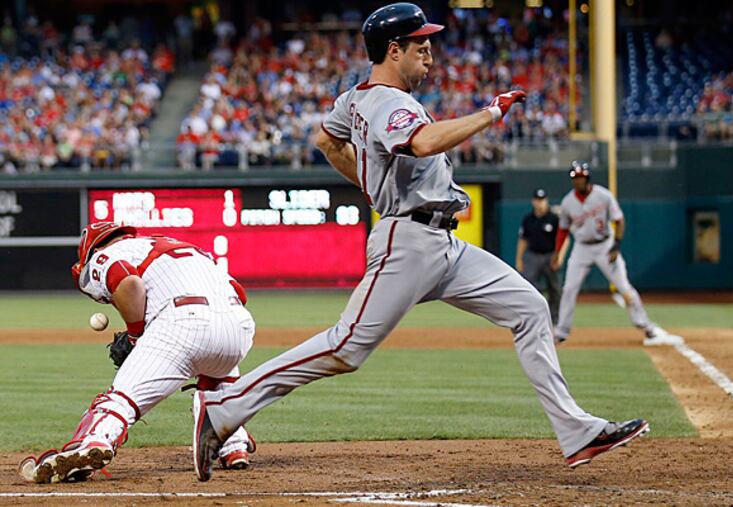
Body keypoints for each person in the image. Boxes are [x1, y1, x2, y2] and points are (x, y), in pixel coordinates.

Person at [191, 3, 649, 482]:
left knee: (531, 309)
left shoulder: (355, 98)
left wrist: (371, 184)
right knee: (346, 348)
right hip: (407, 241)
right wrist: (491, 113)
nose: (430, 58)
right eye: (422, 48)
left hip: (444, 247)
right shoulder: (392, 103)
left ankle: (576, 433)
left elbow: (325, 140)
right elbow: (423, 143)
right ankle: (225, 407)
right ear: (394, 50)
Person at [18, 222, 257, 484]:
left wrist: (135, 335)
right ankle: (233, 443)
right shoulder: (186, 249)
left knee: (119, 402)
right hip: (239, 326)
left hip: (182, 323)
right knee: (217, 375)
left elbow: (128, 283)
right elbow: (239, 293)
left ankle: (91, 442)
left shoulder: (104, 255)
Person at [550, 161, 683, 346]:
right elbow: (563, 230)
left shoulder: (603, 196)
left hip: (605, 245)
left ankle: (647, 327)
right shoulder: (567, 202)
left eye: (580, 177)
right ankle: (561, 332)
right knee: (569, 288)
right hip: (581, 247)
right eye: (575, 178)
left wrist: (616, 245)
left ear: (587, 177)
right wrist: (557, 253)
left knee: (624, 288)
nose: (578, 181)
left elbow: (619, 220)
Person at [516, 188, 563, 324]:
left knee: (555, 289)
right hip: (533, 256)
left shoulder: (553, 218)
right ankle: (533, 317)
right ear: (533, 201)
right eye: (537, 200)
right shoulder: (528, 219)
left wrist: (559, 256)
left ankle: (554, 319)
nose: (539, 203)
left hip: (550, 255)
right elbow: (523, 240)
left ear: (546, 201)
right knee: (529, 288)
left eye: (542, 200)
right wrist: (519, 259)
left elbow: (563, 239)